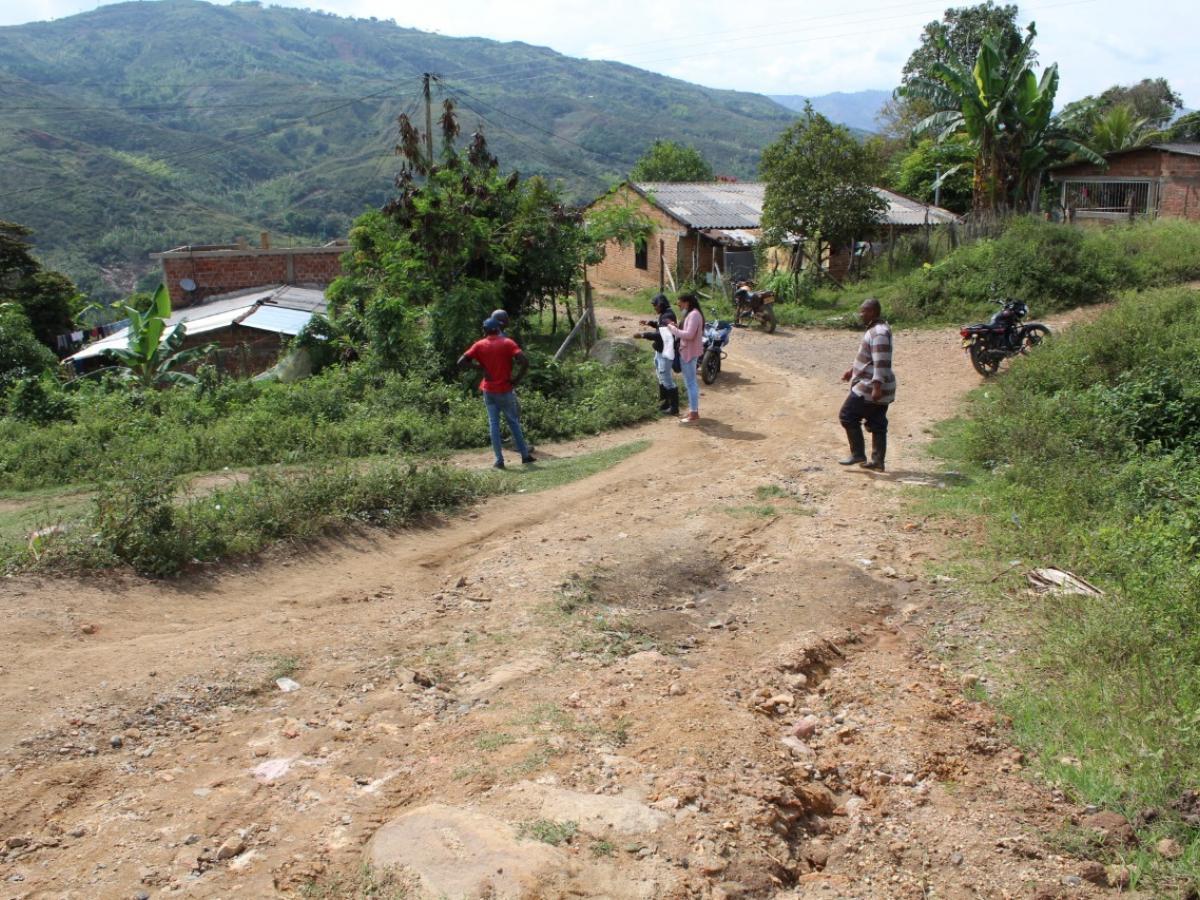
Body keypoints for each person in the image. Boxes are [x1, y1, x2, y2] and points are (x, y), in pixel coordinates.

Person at [458, 317, 534, 469]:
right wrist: (516, 380)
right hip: (505, 390)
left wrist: (481, 368)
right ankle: (525, 456)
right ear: (498, 329)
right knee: (513, 422)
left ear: (485, 330)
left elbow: (461, 362)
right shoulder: (507, 343)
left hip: (488, 390)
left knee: (494, 424)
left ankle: (499, 460)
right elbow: (524, 361)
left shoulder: (479, 345)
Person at [838, 298, 895, 471]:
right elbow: (870, 358)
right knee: (877, 422)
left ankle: (858, 454)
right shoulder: (877, 330)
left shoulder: (878, 333)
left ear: (872, 312)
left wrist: (877, 386)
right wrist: (852, 370)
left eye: (864, 311)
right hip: (875, 384)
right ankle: (878, 461)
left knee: (847, 415)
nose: (861, 314)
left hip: (871, 386)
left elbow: (881, 361)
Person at [635, 293, 679, 415]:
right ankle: (664, 402)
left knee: (667, 379)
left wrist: (644, 335)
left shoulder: (668, 315)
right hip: (660, 351)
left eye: (655, 305)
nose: (654, 308)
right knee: (661, 378)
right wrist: (650, 323)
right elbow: (660, 326)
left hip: (665, 352)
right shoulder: (664, 314)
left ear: (661, 304)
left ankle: (674, 408)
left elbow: (660, 335)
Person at [667, 292, 704, 424]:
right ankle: (693, 411)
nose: (678, 305)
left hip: (688, 353)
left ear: (686, 302)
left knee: (691, 383)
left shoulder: (693, 314)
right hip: (689, 351)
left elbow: (688, 335)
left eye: (679, 302)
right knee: (691, 383)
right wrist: (677, 327)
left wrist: (672, 329)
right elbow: (688, 331)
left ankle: (694, 413)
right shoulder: (692, 314)